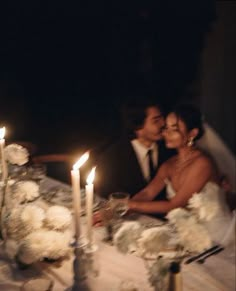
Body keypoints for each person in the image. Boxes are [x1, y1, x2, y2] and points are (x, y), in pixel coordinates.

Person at [128, 104, 233, 244]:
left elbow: (174, 205)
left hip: (218, 236)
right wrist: (118, 208)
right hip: (190, 235)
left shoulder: (202, 163)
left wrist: (131, 205)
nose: (166, 133)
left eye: (174, 129)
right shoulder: (169, 164)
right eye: (166, 128)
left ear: (192, 134)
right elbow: (147, 193)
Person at [95, 98, 175, 200]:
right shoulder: (112, 156)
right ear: (138, 127)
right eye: (156, 121)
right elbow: (106, 194)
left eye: (162, 118)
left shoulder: (170, 148)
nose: (163, 124)